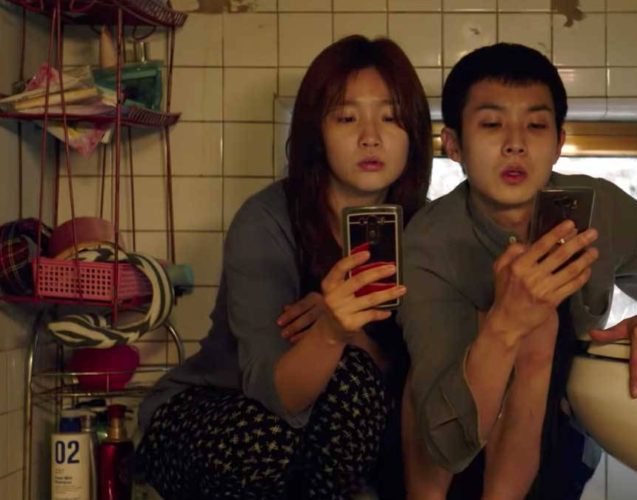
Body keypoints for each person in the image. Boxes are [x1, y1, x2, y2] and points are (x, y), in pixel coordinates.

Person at [399, 43, 637, 499]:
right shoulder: (430, 240)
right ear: (454, 145)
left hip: (555, 436)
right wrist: (504, 324)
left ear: (559, 143)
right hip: (448, 442)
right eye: (491, 124)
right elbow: (441, 442)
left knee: (545, 333)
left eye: (536, 125)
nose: (516, 143)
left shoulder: (599, 210)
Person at [136, 35, 432, 499]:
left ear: (414, 133)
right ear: (317, 132)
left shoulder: (427, 231)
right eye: (347, 117)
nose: (370, 136)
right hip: (217, 414)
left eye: (391, 117)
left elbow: (427, 384)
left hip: (328, 448)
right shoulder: (267, 219)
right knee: (316, 406)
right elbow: (273, 396)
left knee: (359, 383)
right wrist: (330, 332)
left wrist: (353, 337)